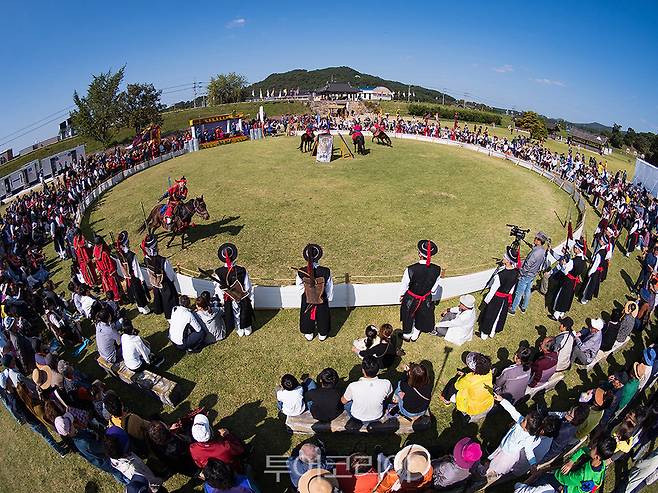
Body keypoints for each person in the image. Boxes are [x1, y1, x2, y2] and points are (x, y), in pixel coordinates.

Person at [514, 437, 617, 493]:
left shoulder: (583, 474)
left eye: (594, 447)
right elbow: (583, 450)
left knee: (541, 483)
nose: (591, 446)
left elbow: (562, 477)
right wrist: (571, 461)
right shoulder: (601, 464)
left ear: (597, 457)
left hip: (565, 486)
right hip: (570, 483)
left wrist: (551, 471)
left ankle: (520, 489)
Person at [53, 412, 127, 484]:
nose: (73, 423)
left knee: (115, 472)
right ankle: (126, 482)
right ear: (69, 431)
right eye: (71, 423)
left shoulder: (76, 434)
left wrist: (93, 433)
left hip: (98, 453)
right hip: (105, 461)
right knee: (118, 472)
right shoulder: (84, 443)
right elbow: (103, 448)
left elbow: (86, 432)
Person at [487, 394, 543, 478]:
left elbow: (529, 451)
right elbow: (512, 411)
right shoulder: (521, 420)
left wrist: (533, 463)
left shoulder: (528, 438)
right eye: (524, 418)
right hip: (504, 446)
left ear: (527, 429)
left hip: (507, 456)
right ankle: (490, 464)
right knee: (495, 457)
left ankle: (493, 472)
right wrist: (502, 400)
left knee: (497, 466)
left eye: (524, 420)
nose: (522, 419)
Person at [400, 240, 441, 342]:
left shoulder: (410, 269)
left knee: (408, 315)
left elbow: (404, 286)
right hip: (426, 298)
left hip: (411, 297)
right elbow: (434, 289)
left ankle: (407, 335)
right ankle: (415, 335)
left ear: (419, 253)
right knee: (421, 316)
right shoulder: (437, 269)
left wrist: (401, 295)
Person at [214, 243, 254, 337]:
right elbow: (247, 286)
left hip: (229, 298)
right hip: (242, 295)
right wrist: (247, 295)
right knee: (245, 311)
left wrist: (222, 299)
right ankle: (247, 328)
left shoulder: (219, 272)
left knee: (235, 313)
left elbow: (218, 289)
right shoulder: (241, 270)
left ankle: (239, 328)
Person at [296, 244, 333, 341]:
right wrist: (327, 298)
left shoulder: (301, 271)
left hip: (307, 297)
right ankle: (322, 333)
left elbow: (299, 286)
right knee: (323, 315)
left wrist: (305, 296)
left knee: (307, 315)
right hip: (322, 297)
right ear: (318, 257)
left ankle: (309, 333)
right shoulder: (326, 271)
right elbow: (329, 287)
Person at [480, 246, 519, 339]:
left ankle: (485, 334)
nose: (503, 257)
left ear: (509, 261)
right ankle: (493, 332)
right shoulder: (516, 273)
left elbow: (492, 291)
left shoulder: (500, 275)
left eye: (505, 257)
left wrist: (485, 302)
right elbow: (512, 289)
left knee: (490, 315)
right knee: (499, 315)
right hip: (505, 299)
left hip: (496, 298)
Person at [341, 356, 392, 424]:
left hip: (357, 417)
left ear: (363, 370)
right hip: (377, 416)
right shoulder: (387, 383)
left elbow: (343, 401)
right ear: (378, 369)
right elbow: (388, 397)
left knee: (347, 404)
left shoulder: (353, 386)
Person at [441, 352, 494, 417]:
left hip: (472, 409)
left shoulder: (469, 378)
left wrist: (462, 377)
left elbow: (457, 386)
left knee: (451, 384)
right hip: (488, 403)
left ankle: (446, 401)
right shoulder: (489, 372)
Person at [509, 231, 548, 315]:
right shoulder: (542, 250)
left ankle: (513, 309)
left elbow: (527, 265)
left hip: (526, 275)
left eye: (536, 238)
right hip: (532, 274)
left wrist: (521, 272)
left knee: (518, 293)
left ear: (539, 240)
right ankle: (524, 307)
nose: (534, 239)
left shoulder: (535, 253)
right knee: (527, 291)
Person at [142, 234, 178, 319]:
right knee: (170, 301)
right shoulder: (163, 261)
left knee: (161, 299)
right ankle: (171, 316)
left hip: (156, 284)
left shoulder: (146, 259)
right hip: (166, 284)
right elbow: (171, 275)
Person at [115, 231, 150, 315]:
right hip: (135, 277)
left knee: (134, 293)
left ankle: (139, 307)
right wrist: (141, 279)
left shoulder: (119, 255)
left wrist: (126, 276)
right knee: (139, 293)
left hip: (128, 278)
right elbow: (136, 268)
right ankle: (145, 309)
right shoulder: (131, 255)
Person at [551, 239, 586, 320]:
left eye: (575, 247)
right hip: (573, 281)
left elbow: (565, 271)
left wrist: (563, 264)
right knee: (568, 297)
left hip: (568, 280)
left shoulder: (573, 261)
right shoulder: (583, 260)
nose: (574, 248)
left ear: (577, 249)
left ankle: (556, 314)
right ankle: (562, 313)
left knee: (561, 295)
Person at [92, 234, 121, 302]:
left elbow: (97, 264)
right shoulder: (104, 253)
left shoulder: (95, 253)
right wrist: (113, 270)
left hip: (103, 274)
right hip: (109, 273)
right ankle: (118, 299)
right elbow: (110, 263)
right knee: (114, 286)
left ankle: (111, 298)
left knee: (108, 287)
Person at [580, 237, 608, 304]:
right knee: (592, 285)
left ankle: (584, 299)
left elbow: (596, 264)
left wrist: (590, 272)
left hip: (595, 271)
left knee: (589, 285)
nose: (600, 240)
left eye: (601, 240)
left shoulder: (599, 253)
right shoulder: (604, 250)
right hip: (598, 271)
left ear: (603, 242)